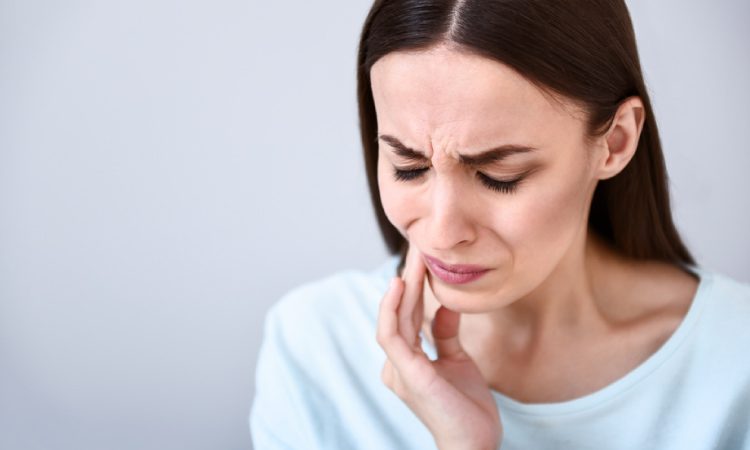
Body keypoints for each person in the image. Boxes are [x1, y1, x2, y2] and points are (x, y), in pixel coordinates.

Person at [250, 0, 750, 448]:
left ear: (615, 142)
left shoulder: (736, 362)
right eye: (408, 167)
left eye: (498, 176)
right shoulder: (313, 349)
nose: (442, 234)